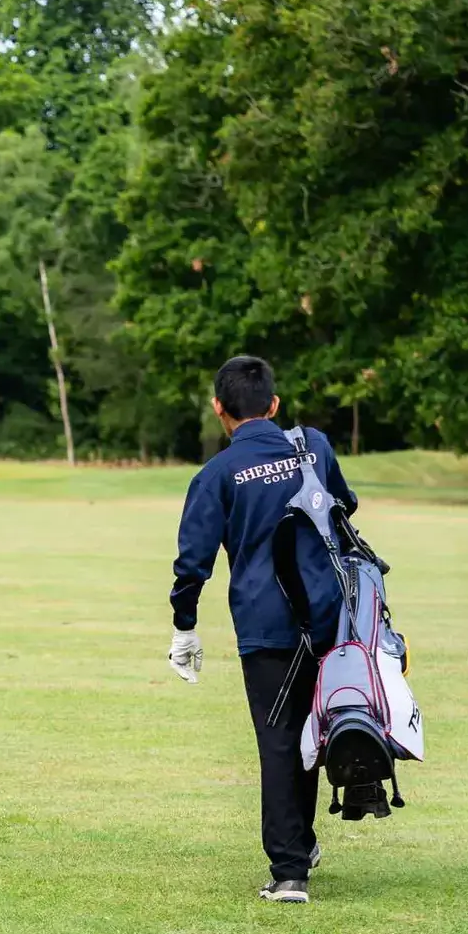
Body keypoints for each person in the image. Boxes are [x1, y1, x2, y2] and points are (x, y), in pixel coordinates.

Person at [167, 356, 357, 905]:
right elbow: (346, 507)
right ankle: (303, 844)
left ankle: (290, 870)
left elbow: (192, 561)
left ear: (219, 410)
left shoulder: (217, 474)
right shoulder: (314, 446)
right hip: (330, 619)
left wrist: (185, 627)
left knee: (279, 742)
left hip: (265, 624)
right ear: (274, 405)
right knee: (311, 735)